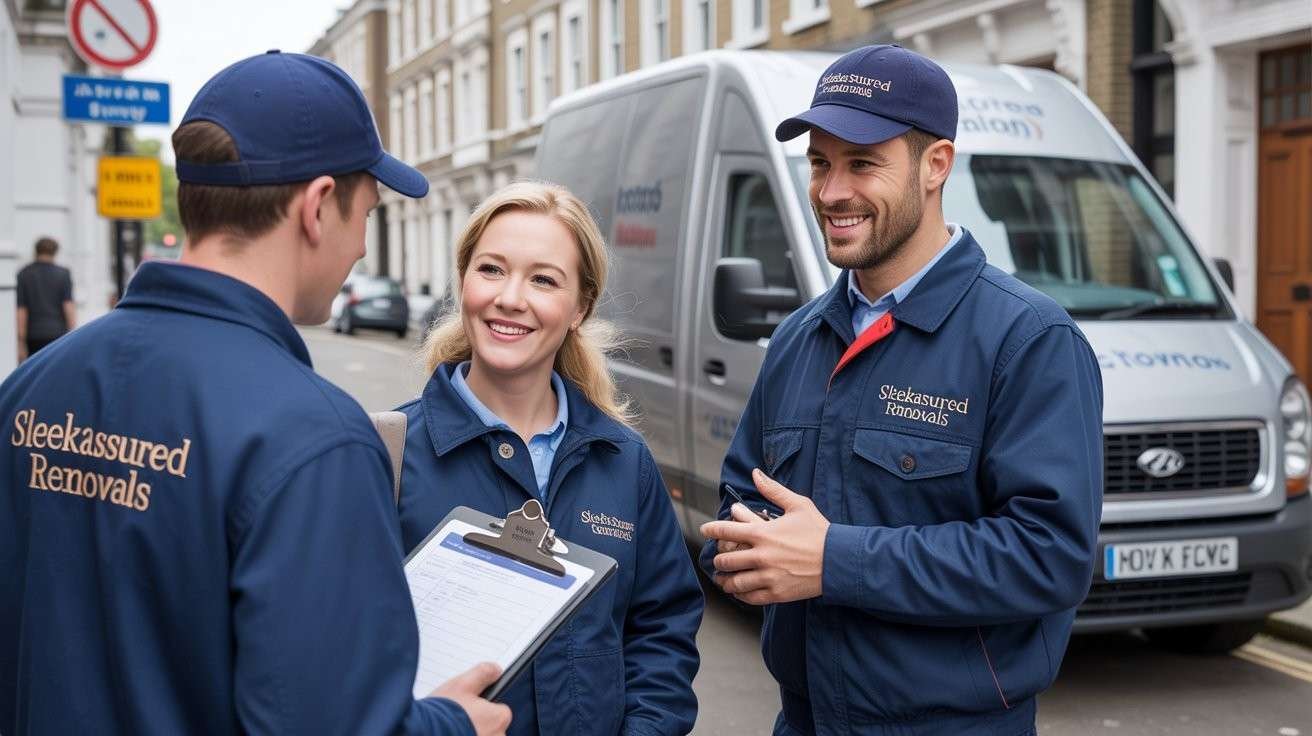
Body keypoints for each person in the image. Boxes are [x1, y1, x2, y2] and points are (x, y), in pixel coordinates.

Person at [0, 51, 509, 736]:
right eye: (367, 211)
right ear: (318, 205)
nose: (362, 245)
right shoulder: (314, 437)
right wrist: (455, 725)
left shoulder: (29, 389)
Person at [699, 45, 1103, 735]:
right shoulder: (798, 339)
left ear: (935, 165)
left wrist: (834, 562)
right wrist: (743, 549)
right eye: (820, 163)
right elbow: (740, 501)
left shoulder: (1028, 340)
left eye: (862, 163)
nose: (831, 192)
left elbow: (1050, 557)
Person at [395, 181, 703, 736]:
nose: (510, 297)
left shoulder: (622, 460)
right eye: (491, 269)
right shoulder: (388, 454)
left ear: (580, 307)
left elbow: (661, 633)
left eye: (543, 279)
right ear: (463, 281)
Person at [16, 236, 75, 361]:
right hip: (57, 333)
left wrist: (20, 342)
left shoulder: (23, 274)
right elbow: (68, 306)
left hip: (33, 335)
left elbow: (21, 310)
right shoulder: (63, 274)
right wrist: (73, 334)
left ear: (36, 251)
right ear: (55, 252)